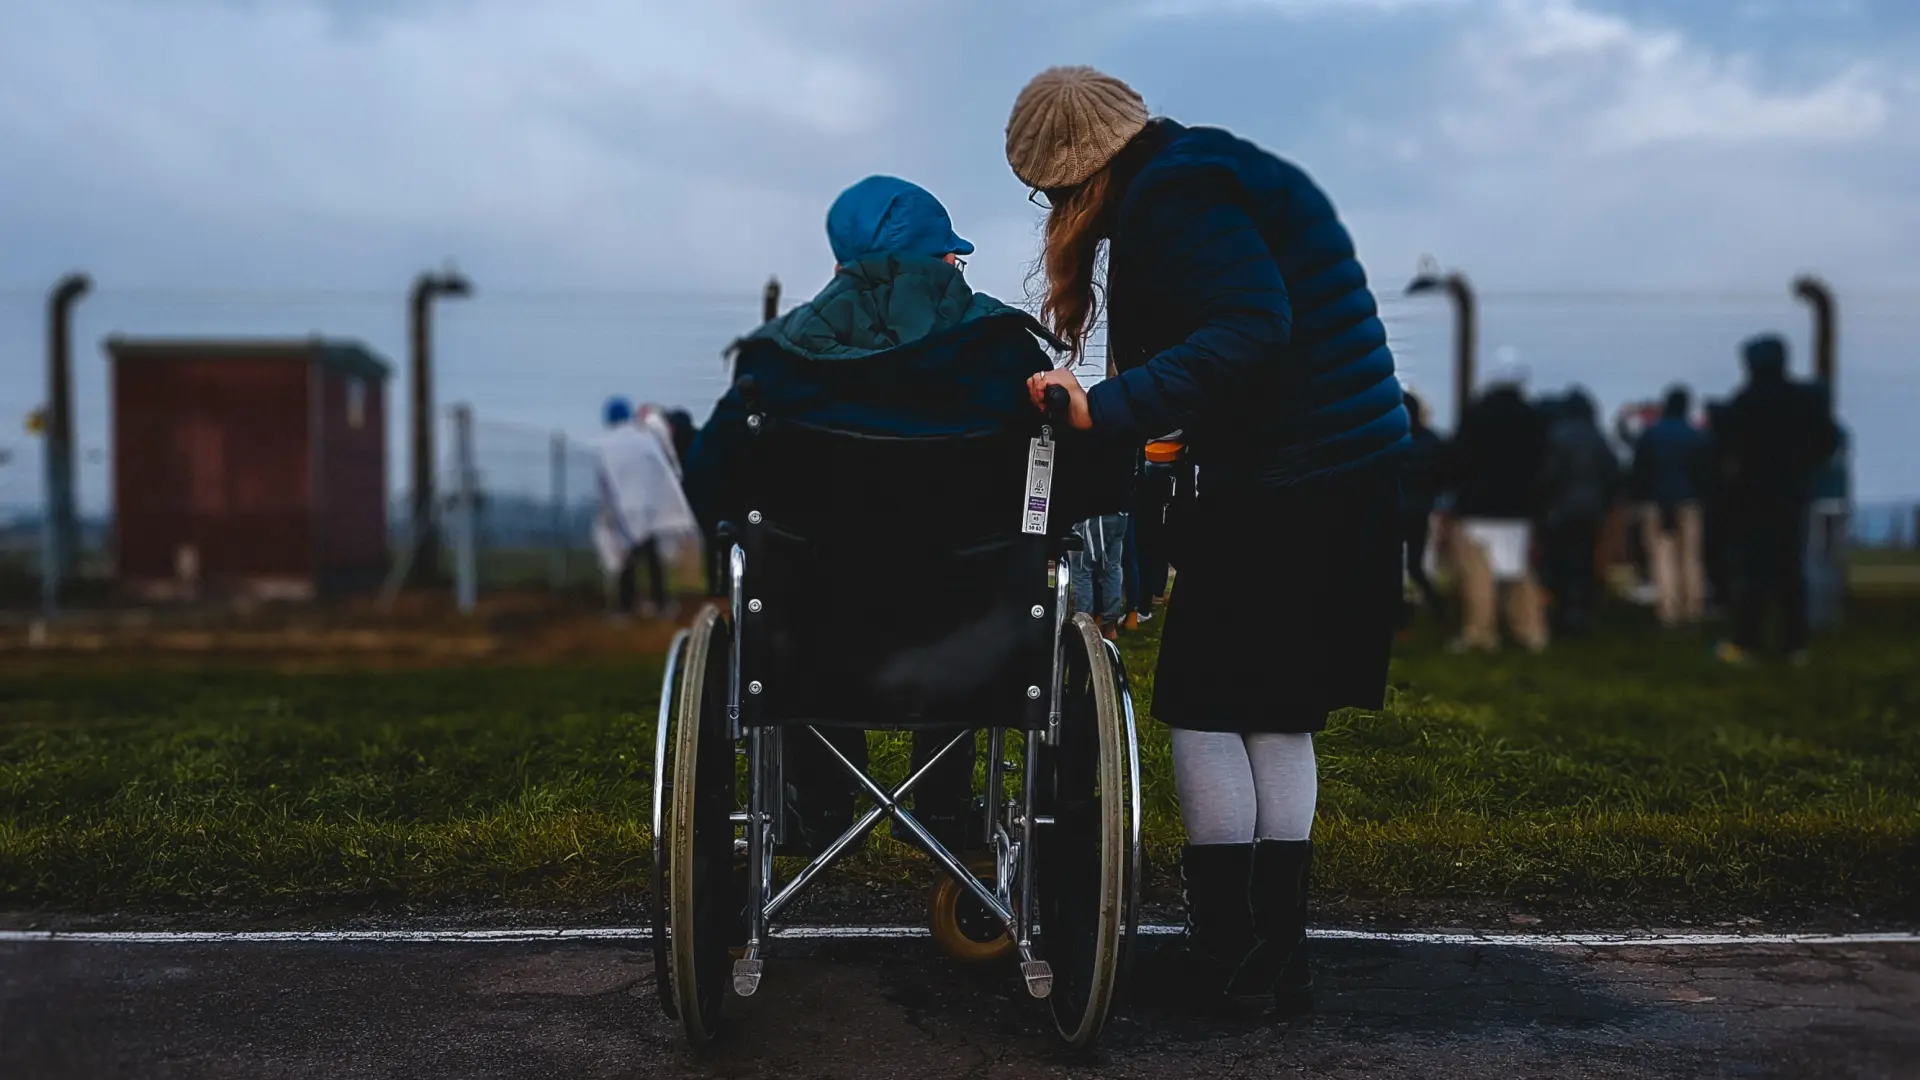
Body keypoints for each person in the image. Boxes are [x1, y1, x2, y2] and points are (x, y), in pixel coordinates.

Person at [1008, 66, 1408, 1015]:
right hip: (1339, 470)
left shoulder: (1175, 198)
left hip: (1290, 477)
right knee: (1273, 710)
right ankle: (1276, 955)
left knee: (1202, 703)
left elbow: (1251, 324)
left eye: (1053, 193)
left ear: (1081, 175)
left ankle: (1226, 949)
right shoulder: (1210, 170)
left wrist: (1102, 410)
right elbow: (1252, 334)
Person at [682, 174, 1117, 857]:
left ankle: (818, 804)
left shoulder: (775, 362)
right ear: (945, 262)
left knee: (797, 594)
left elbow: (709, 485)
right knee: (966, 589)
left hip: (809, 646)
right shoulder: (1006, 354)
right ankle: (944, 808)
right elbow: (1082, 485)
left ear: (840, 266)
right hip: (973, 645)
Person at [1716, 335, 1839, 664]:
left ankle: (1747, 642)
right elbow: (1828, 442)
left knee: (1752, 570)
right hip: (1793, 492)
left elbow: (1724, 448)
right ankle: (1795, 644)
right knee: (1790, 569)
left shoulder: (1743, 401)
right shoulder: (1806, 401)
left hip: (1752, 495)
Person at [1447, 364, 1549, 652]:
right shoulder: (1532, 418)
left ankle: (1481, 632)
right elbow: (1542, 463)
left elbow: (1458, 459)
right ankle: (1530, 631)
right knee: (1518, 573)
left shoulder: (1476, 415)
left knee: (1479, 574)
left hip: (1477, 508)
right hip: (1518, 509)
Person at [595, 397, 697, 619]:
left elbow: (604, 482)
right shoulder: (644, 438)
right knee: (653, 559)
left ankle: (624, 608)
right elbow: (664, 469)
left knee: (627, 561)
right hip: (651, 507)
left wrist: (608, 513)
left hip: (625, 510)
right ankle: (662, 604)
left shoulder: (605, 445)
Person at [1537, 388, 1619, 636]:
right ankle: (1583, 612)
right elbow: (1611, 475)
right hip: (1591, 509)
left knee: (1562, 563)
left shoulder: (1556, 436)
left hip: (1561, 510)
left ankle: (1564, 613)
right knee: (1584, 562)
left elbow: (1548, 475)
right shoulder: (1598, 437)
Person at [1630, 386, 1710, 628]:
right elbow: (1705, 472)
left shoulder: (1651, 434)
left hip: (1656, 502)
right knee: (1691, 557)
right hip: (1689, 501)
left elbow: (1640, 469)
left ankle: (1669, 611)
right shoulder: (1697, 435)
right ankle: (1693, 608)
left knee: (1662, 558)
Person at [1397, 390, 1447, 629]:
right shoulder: (1431, 441)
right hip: (1420, 509)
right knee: (1415, 566)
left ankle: (1401, 618)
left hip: (1392, 510)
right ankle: (1438, 610)